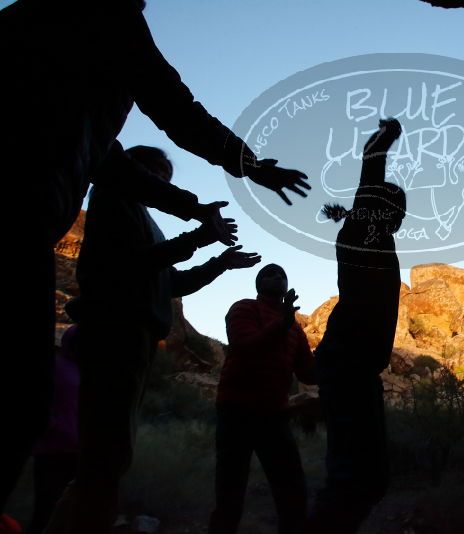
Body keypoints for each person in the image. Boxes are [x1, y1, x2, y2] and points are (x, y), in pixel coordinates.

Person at [0, 0, 310, 512]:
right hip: (91, 308)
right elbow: (177, 110)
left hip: (108, 312)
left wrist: (208, 241)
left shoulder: (48, 42)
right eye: (160, 180)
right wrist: (246, 172)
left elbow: (167, 279)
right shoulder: (101, 18)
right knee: (63, 429)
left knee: (71, 432)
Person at [45, 146, 262, 534]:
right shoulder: (113, 198)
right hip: (115, 333)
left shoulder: (142, 216)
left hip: (134, 339)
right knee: (106, 454)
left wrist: (220, 262)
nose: (162, 182)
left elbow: (171, 281)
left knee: (109, 454)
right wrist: (201, 234)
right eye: (156, 173)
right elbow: (136, 263)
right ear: (134, 170)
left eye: (166, 176)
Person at [306, 118, 406, 533]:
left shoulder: (374, 238)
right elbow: (369, 176)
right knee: (355, 479)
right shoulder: (364, 231)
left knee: (364, 478)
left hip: (355, 367)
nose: (402, 216)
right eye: (398, 207)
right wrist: (382, 143)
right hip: (347, 366)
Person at [209, 264, 316, 534]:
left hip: (274, 414)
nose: (277, 276)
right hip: (237, 412)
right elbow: (244, 346)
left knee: (292, 491)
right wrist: (282, 324)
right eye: (270, 273)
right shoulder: (244, 308)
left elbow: (309, 372)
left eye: (282, 274)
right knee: (230, 494)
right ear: (258, 284)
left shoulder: (295, 329)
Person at [27, 326, 80, 534]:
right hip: (51, 452)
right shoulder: (56, 367)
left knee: (68, 514)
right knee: (46, 511)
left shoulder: (83, 370)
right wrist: (52, 427)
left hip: (77, 453)